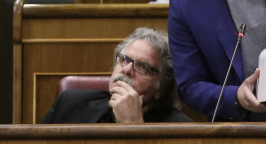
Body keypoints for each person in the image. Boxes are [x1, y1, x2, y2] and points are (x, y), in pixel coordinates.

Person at [41, 27, 193, 123]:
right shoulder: (69, 103)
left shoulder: (180, 129)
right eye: (124, 59)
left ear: (161, 87)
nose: (126, 69)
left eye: (142, 67)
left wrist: (133, 127)